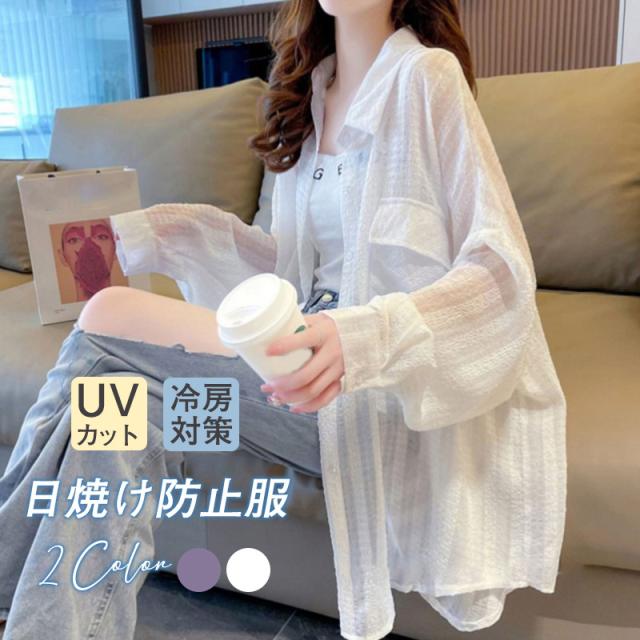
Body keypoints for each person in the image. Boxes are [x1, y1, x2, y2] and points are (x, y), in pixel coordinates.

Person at [0, 1, 568, 639]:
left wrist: (366, 338)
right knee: (116, 411)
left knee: (107, 316)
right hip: (286, 391)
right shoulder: (313, 94)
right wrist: (181, 231)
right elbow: (291, 275)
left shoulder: (427, 79)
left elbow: (500, 271)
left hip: (371, 396)